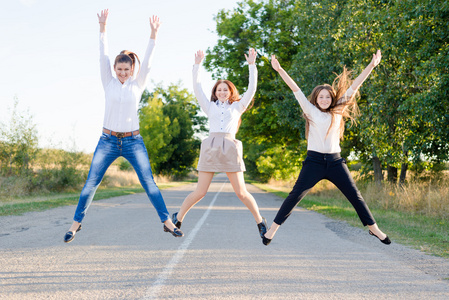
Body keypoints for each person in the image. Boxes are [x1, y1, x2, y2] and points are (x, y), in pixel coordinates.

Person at [63, 9, 183, 243]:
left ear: (132, 70)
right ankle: (75, 225)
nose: (122, 73)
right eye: (119, 69)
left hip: (133, 141)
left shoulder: (137, 85)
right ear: (114, 69)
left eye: (127, 70)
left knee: (149, 182)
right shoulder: (107, 81)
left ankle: (168, 222)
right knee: (91, 183)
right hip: (107, 141)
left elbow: (148, 61)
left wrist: (153, 35)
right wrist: (102, 28)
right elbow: (102, 55)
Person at [263, 50, 391, 246]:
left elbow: (355, 85)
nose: (324, 100)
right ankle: (272, 230)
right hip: (313, 162)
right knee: (294, 195)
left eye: (327, 97)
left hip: (335, 162)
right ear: (316, 99)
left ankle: (374, 229)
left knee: (355, 196)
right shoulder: (310, 110)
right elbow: (295, 89)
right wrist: (280, 70)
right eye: (321, 97)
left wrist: (372, 66)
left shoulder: (338, 109)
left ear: (332, 99)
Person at [171, 49, 268, 239]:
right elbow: (197, 88)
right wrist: (197, 65)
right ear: (215, 92)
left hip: (230, 147)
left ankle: (260, 222)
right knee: (200, 192)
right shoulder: (209, 107)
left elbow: (252, 88)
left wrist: (252, 65)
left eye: (226, 89)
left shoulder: (238, 106)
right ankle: (178, 218)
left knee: (241, 192)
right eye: (219, 89)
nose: (222, 92)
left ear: (231, 92)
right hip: (211, 147)